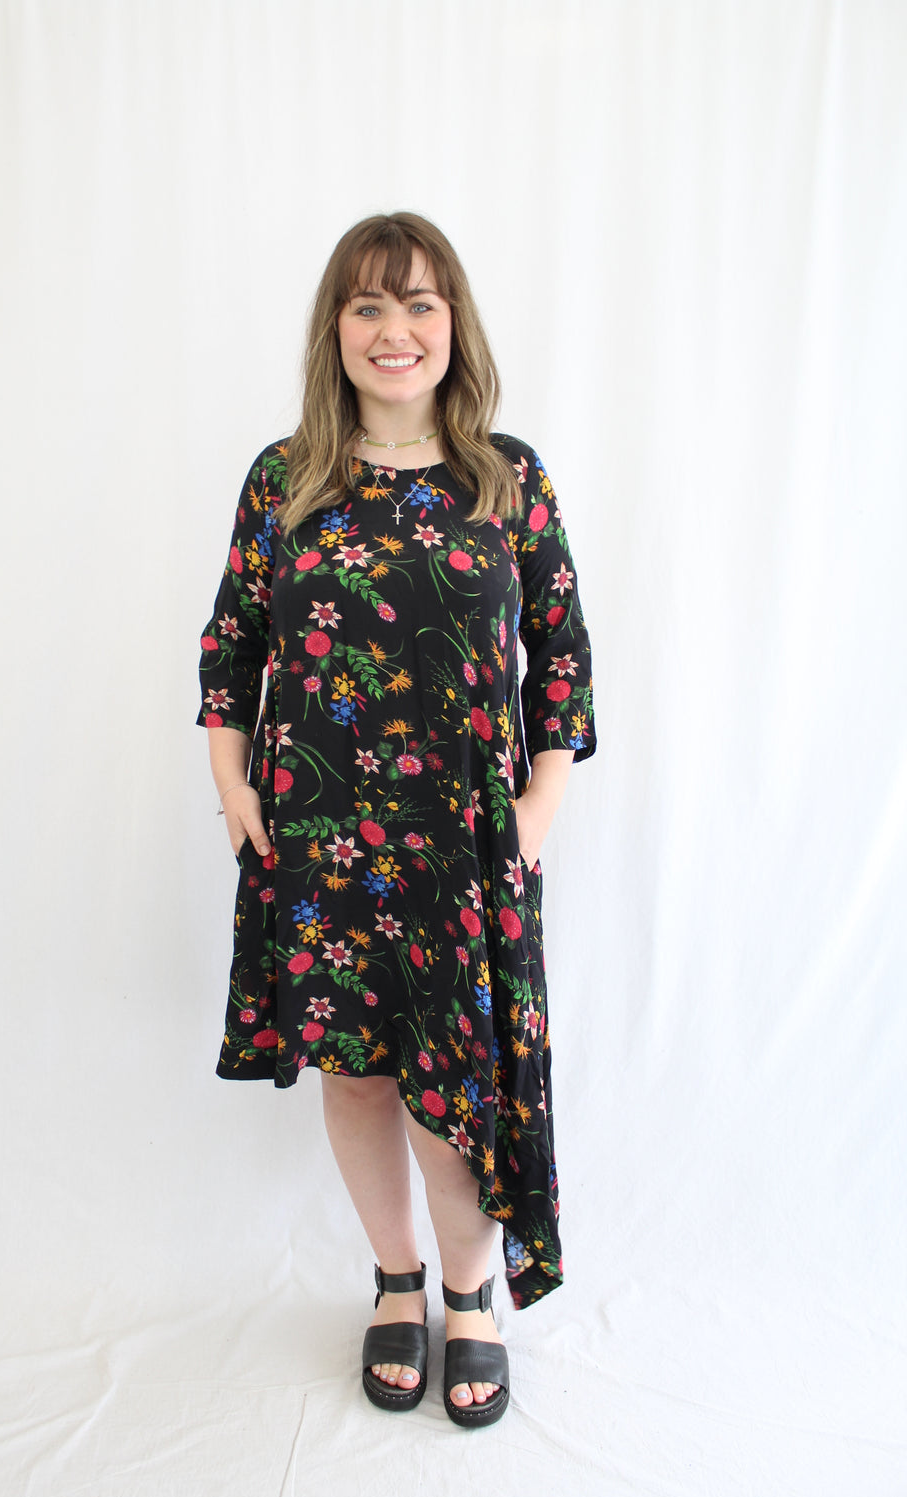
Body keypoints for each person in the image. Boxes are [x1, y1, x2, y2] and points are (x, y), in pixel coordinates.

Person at [197, 211, 595, 1427]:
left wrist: (538, 807)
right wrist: (234, 788)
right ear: (336, 328)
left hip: (462, 845)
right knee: (361, 1076)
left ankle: (470, 1297)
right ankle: (396, 1278)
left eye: (418, 303)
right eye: (367, 305)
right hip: (319, 835)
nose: (394, 329)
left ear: (452, 323)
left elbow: (562, 659)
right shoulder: (286, 477)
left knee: (454, 1080)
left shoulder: (505, 478)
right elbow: (233, 646)